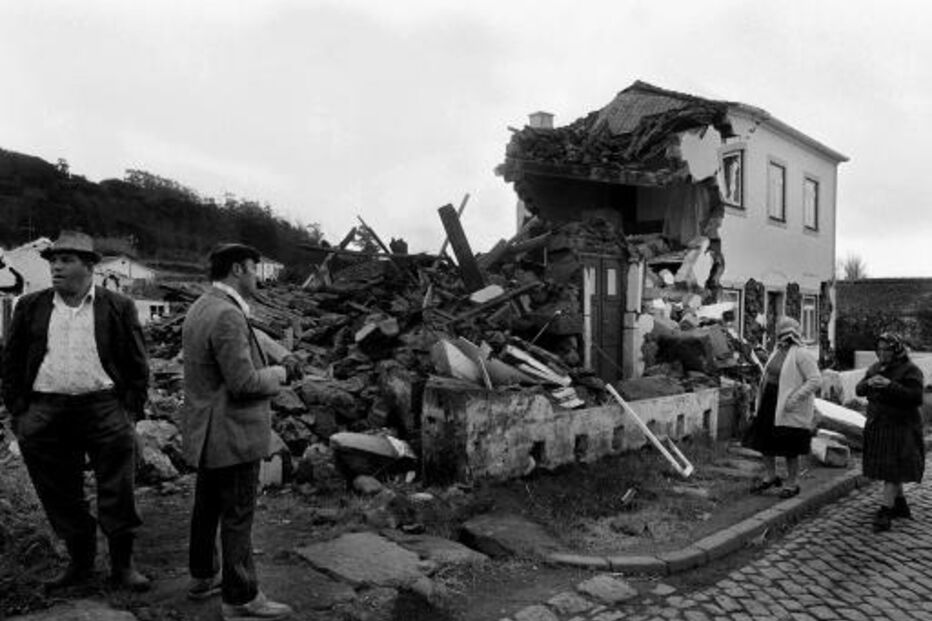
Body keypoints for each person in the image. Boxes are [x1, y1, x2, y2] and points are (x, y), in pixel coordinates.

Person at [1, 230, 150, 591]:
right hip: (45, 410)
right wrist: (19, 412)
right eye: (53, 260)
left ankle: (122, 566)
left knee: (118, 489)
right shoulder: (30, 306)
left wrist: (129, 410)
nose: (56, 267)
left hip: (103, 407)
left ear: (89, 267)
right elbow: (11, 361)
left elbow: (136, 363)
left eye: (66, 260)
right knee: (59, 491)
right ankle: (81, 563)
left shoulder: (117, 306)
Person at [180, 243, 293, 620]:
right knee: (238, 515)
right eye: (252, 270)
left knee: (207, 507)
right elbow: (243, 382)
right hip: (232, 432)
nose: (255, 277)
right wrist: (276, 375)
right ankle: (241, 598)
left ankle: (202, 577)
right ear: (236, 270)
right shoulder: (228, 315)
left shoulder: (201, 306)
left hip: (206, 431)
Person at [856, 332, 925, 533]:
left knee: (893, 468)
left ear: (896, 350)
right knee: (889, 467)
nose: (882, 353)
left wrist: (890, 385)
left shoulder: (910, 370)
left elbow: (915, 397)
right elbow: (859, 390)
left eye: (886, 349)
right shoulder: (875, 368)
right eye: (879, 349)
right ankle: (900, 504)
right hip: (879, 425)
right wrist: (868, 383)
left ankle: (885, 512)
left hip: (901, 426)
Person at [745, 316, 821, 498]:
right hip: (770, 401)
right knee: (765, 441)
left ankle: (792, 483)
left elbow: (815, 380)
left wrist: (795, 398)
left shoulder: (801, 354)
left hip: (788, 405)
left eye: (784, 333)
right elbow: (769, 374)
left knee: (789, 446)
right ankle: (771, 476)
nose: (780, 337)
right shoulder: (777, 351)